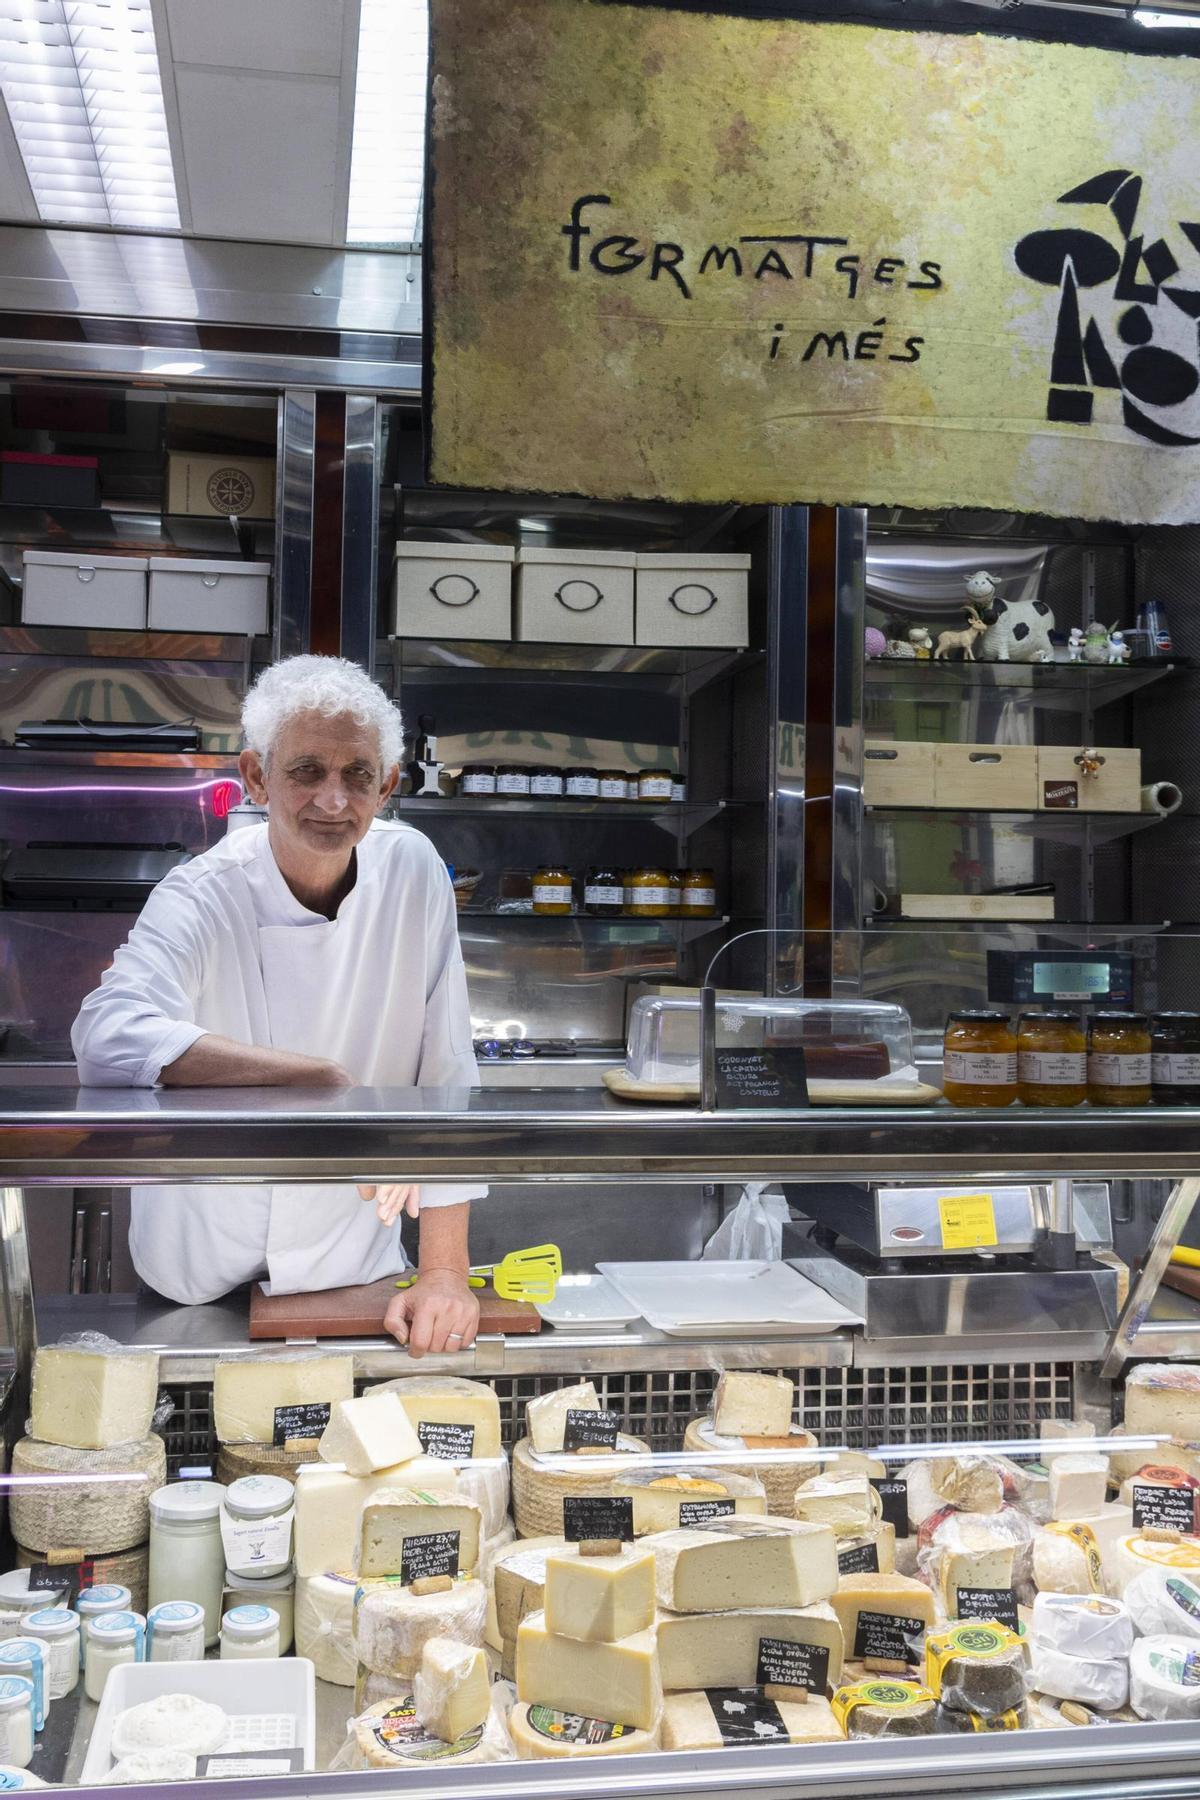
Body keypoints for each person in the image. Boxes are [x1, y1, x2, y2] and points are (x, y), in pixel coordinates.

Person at [72, 655, 483, 1356]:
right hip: (199, 1270)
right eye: (306, 771)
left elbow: (446, 1072)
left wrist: (444, 1271)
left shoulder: (413, 870)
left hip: (348, 1268)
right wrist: (314, 1079)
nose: (333, 799)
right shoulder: (200, 894)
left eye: (358, 774)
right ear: (257, 776)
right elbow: (106, 1036)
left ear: (386, 784)